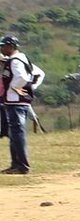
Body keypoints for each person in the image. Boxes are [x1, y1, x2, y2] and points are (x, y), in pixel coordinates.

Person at [1, 34, 33, 174]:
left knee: (17, 134)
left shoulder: (15, 61)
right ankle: (16, 164)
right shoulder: (21, 58)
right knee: (14, 134)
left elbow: (22, 77)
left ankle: (22, 165)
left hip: (16, 101)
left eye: (3, 46)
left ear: (11, 46)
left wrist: (12, 89)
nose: (2, 48)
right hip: (18, 100)